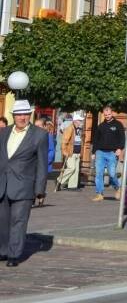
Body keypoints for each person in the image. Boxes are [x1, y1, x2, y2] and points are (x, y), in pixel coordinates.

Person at [0, 100, 48, 266]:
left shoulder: (39, 135)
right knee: (3, 221)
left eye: (25, 114)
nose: (22, 117)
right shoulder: (3, 132)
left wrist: (40, 190)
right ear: (13, 116)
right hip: (3, 184)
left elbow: (42, 164)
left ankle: (14, 255)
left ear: (30, 115)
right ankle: (3, 251)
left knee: (18, 221)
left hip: (24, 186)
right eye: (19, 114)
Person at [92, 105, 125, 201]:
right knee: (98, 173)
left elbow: (122, 138)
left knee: (111, 174)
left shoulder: (118, 125)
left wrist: (120, 148)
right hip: (100, 153)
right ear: (103, 114)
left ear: (112, 113)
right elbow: (96, 140)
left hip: (112, 153)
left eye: (109, 114)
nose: (107, 116)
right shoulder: (101, 126)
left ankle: (118, 188)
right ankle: (99, 194)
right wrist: (94, 152)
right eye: (106, 115)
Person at [56, 113, 84, 191]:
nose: (81, 122)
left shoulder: (79, 129)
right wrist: (64, 151)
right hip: (71, 152)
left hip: (77, 152)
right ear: (75, 121)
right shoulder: (70, 128)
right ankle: (59, 180)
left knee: (76, 170)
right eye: (80, 121)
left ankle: (72, 186)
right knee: (71, 168)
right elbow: (64, 141)